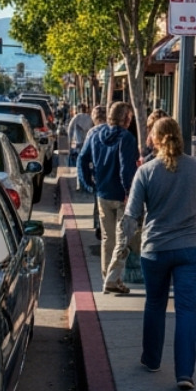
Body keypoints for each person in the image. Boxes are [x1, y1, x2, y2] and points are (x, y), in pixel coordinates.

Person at [120, 115, 196, 390]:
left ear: (154, 138)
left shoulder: (146, 171)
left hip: (156, 248)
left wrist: (122, 245)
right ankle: (184, 373)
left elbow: (132, 214)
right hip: (192, 248)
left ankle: (152, 359)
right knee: (186, 309)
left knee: (155, 304)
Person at [78, 101, 141, 295]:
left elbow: (82, 158)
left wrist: (89, 183)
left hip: (102, 192)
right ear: (126, 119)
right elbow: (126, 168)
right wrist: (129, 192)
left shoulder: (96, 134)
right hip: (121, 195)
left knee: (108, 238)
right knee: (124, 238)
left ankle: (109, 277)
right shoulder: (127, 138)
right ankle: (112, 279)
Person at [68, 103, 94, 176]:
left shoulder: (76, 118)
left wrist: (69, 145)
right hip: (88, 143)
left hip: (79, 143)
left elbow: (70, 131)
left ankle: (81, 176)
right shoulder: (90, 118)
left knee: (79, 160)